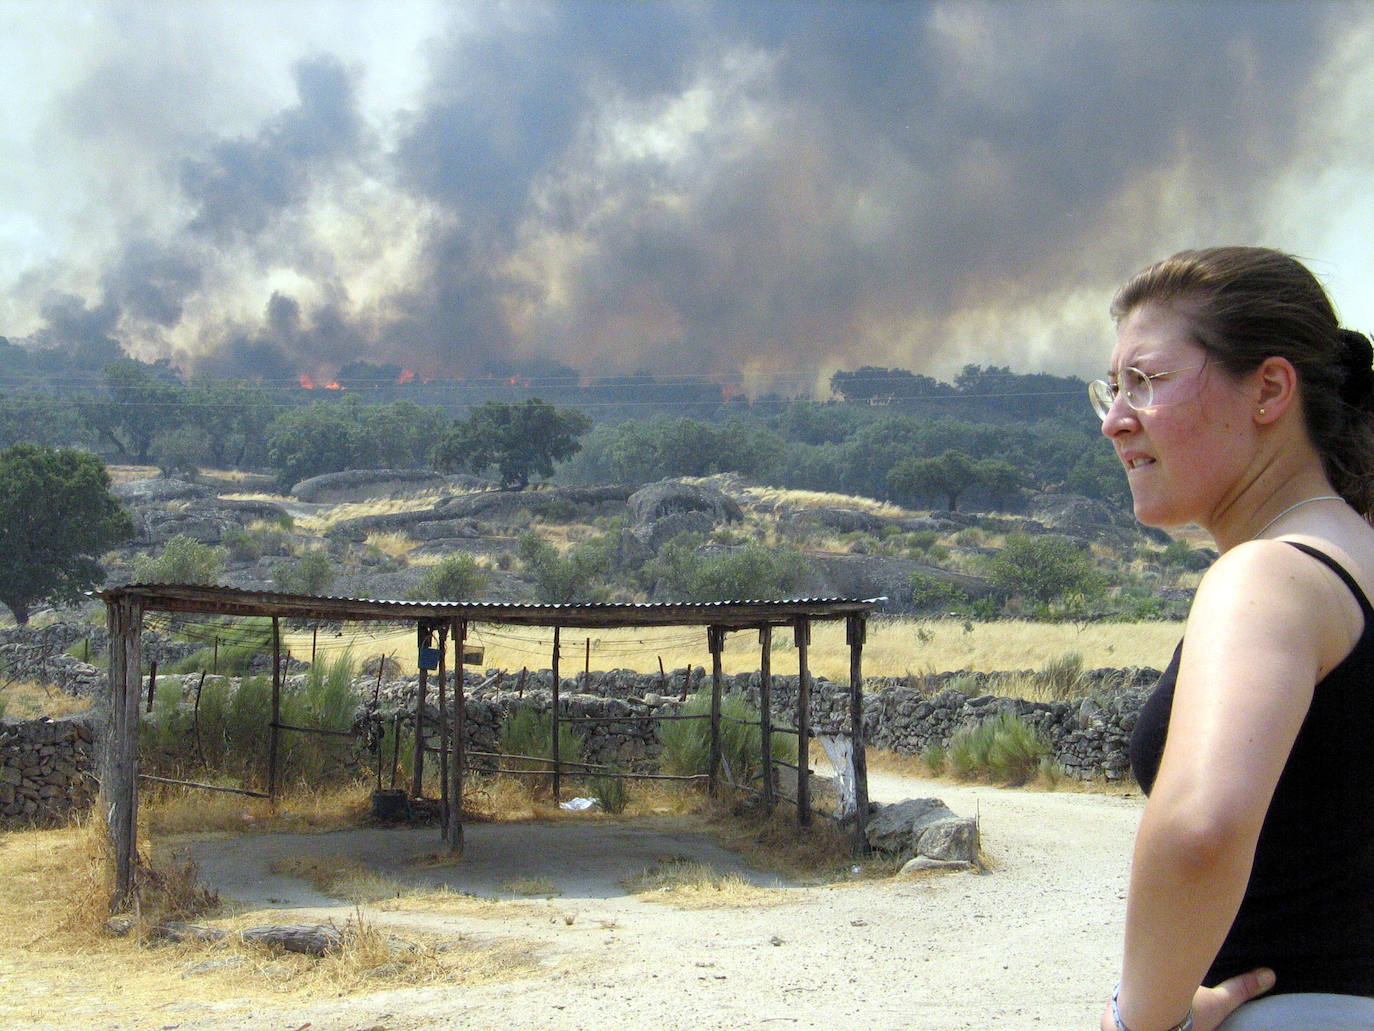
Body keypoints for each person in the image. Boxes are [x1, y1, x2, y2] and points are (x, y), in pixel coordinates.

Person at [1090, 247, 1374, 1031]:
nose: (1116, 419)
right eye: (1112, 389)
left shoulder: (1267, 578)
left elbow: (1199, 829)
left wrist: (1144, 1023)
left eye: (1145, 382)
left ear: (1271, 389)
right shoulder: (1355, 559)